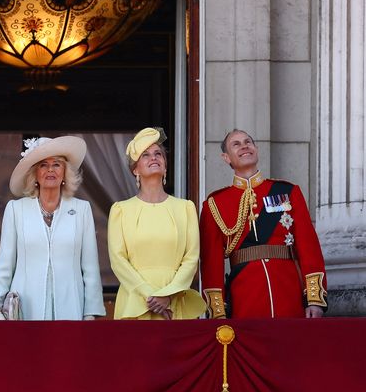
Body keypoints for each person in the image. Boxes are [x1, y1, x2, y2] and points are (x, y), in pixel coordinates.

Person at [200, 129, 327, 318]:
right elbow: (211, 264)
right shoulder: (215, 203)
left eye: (248, 142)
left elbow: (308, 247)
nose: (244, 146)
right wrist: (218, 311)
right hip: (246, 297)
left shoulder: (287, 191)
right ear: (226, 157)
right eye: (236, 144)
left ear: (256, 149)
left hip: (288, 292)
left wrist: (314, 299)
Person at [0, 136, 105, 320]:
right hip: (25, 313)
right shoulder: (16, 209)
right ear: (35, 174)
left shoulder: (82, 209)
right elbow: (5, 264)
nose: (50, 170)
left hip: (71, 310)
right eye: (43, 165)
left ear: (65, 172)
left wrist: (90, 314)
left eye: (56, 164)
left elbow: (90, 268)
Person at [107, 127, 206, 320]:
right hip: (135, 300)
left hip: (175, 301)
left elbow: (191, 257)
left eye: (158, 154)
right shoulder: (121, 210)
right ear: (135, 169)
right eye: (145, 155)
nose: (153, 157)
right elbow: (118, 260)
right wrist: (150, 295)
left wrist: (168, 294)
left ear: (165, 165)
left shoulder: (185, 207)